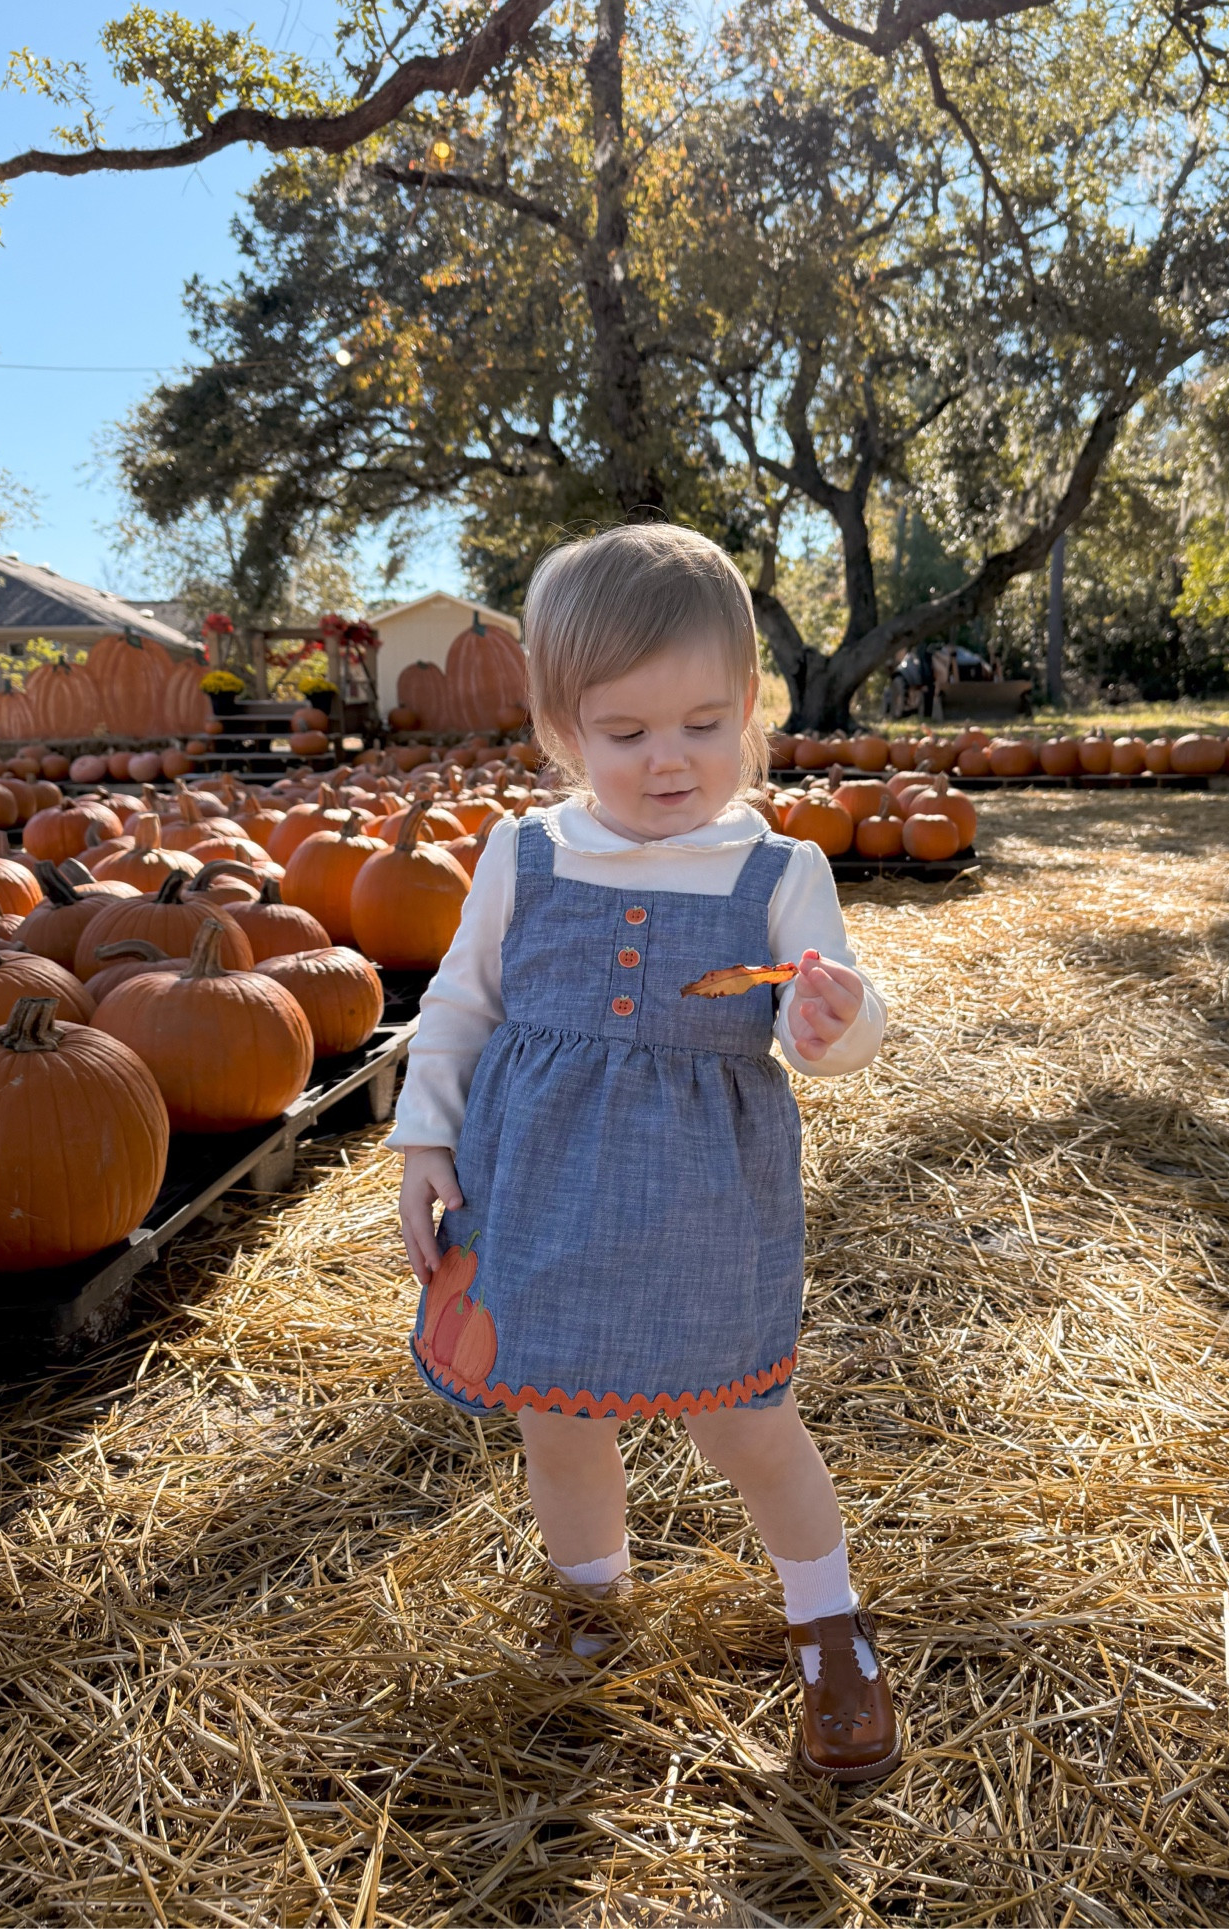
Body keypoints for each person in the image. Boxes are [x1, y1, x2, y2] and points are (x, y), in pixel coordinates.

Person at [389, 524, 902, 1784]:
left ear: (752, 715)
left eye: (704, 724)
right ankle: (591, 1593)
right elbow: (460, 1006)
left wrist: (839, 1024)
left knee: (750, 1424)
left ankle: (828, 1624)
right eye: (625, 734)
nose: (669, 760)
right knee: (556, 1419)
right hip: (541, 1197)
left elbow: (834, 1024)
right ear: (563, 730)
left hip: (706, 1209)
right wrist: (424, 1140)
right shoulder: (524, 856)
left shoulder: (779, 869)